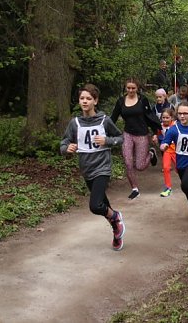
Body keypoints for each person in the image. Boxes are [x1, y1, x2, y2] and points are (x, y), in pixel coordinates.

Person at [60, 84, 126, 251]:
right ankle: (116, 229)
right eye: (82, 98)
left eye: (88, 98)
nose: (85, 101)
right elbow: (64, 143)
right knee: (103, 204)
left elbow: (121, 137)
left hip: (102, 168)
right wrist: (66, 149)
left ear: (95, 101)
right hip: (86, 170)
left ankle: (116, 217)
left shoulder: (104, 120)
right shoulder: (75, 123)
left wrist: (108, 141)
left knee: (95, 205)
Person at [111, 77, 162, 200]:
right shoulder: (120, 101)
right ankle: (135, 189)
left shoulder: (142, 100)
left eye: (133, 88)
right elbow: (112, 118)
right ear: (125, 88)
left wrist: (155, 132)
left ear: (137, 88)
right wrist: (104, 131)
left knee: (140, 166)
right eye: (128, 88)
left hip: (142, 134)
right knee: (128, 162)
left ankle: (151, 153)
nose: (131, 90)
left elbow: (150, 116)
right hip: (127, 134)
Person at [159, 101, 188, 223]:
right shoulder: (174, 129)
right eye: (180, 114)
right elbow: (166, 141)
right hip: (181, 162)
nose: (182, 116)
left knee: (186, 184)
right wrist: (163, 146)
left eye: (185, 113)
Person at [157, 106, 177, 197]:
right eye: (163, 117)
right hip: (167, 149)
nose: (165, 119)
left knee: (179, 168)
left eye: (167, 117)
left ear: (171, 118)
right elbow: (158, 134)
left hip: (177, 149)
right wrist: (155, 137)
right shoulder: (160, 126)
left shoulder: (176, 125)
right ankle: (168, 188)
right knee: (166, 167)